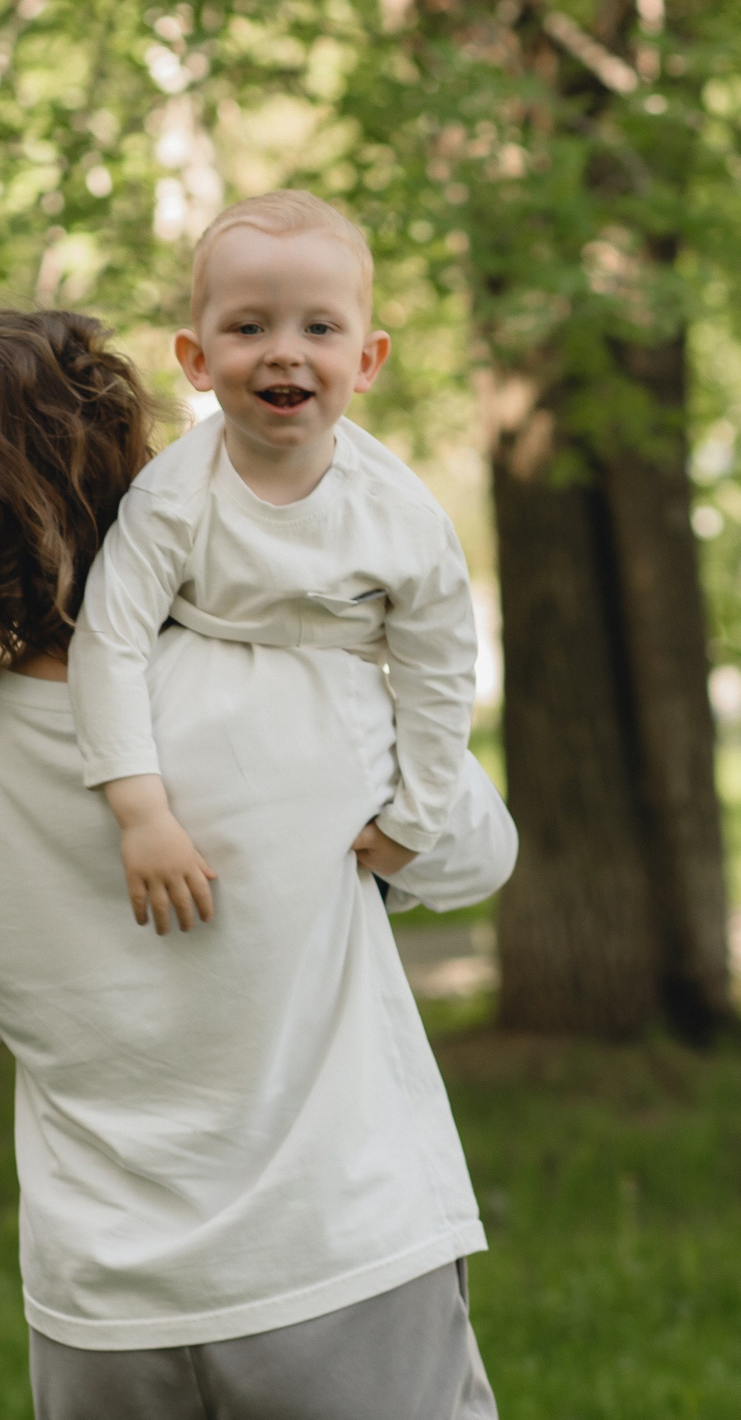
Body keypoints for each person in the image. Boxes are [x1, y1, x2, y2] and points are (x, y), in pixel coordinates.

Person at [0, 309, 514, 1419]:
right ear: (126, 476)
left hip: (104, 1312)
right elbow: (476, 857)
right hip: (338, 1261)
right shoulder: (290, 678)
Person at [69, 190, 478, 936]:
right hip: (220, 735)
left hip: (352, 742)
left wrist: (413, 821)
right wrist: (142, 814)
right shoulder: (171, 499)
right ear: (196, 360)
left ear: (366, 361)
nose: (285, 351)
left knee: (478, 852)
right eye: (249, 326)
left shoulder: (404, 518)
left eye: (319, 327)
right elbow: (109, 644)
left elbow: (439, 668)